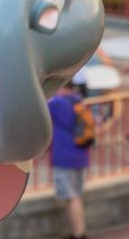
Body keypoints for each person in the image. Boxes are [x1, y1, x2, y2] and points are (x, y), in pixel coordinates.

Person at [48, 81, 90, 239]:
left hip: (64, 156)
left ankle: (78, 234)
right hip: (80, 154)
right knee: (77, 195)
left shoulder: (57, 103)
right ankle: (80, 231)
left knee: (71, 197)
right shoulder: (78, 99)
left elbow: (38, 113)